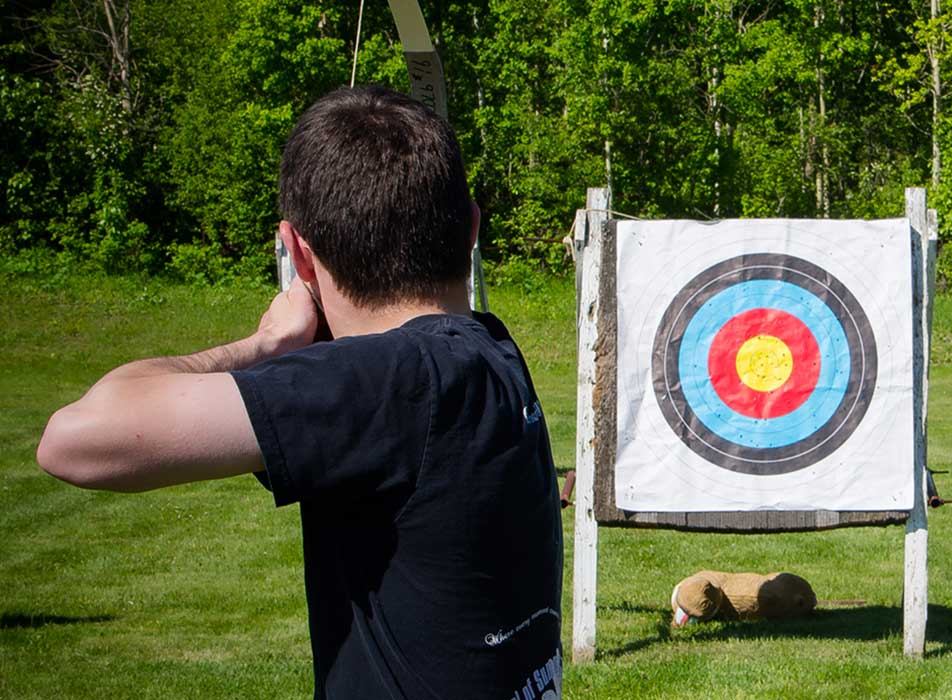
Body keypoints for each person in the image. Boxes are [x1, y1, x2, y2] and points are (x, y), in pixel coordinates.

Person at [37, 86, 564, 699]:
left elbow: (73, 439)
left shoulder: (388, 383)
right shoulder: (490, 351)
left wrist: (266, 343)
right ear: (471, 226)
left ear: (298, 256)